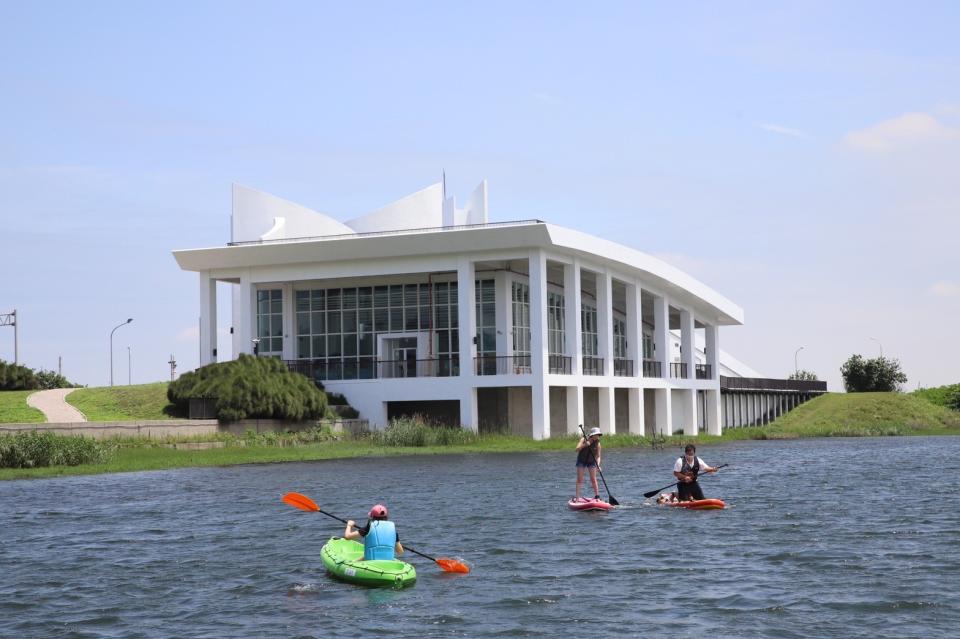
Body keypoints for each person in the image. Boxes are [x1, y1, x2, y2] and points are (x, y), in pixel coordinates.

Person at [575, 427, 603, 500]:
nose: (597, 436)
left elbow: (598, 456)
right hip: (581, 460)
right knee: (580, 479)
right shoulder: (583, 439)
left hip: (591, 461)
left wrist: (598, 465)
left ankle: (597, 496)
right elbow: (576, 449)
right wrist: (585, 445)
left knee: (593, 479)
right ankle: (577, 497)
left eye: (598, 435)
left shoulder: (598, 444)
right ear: (592, 435)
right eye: (596, 434)